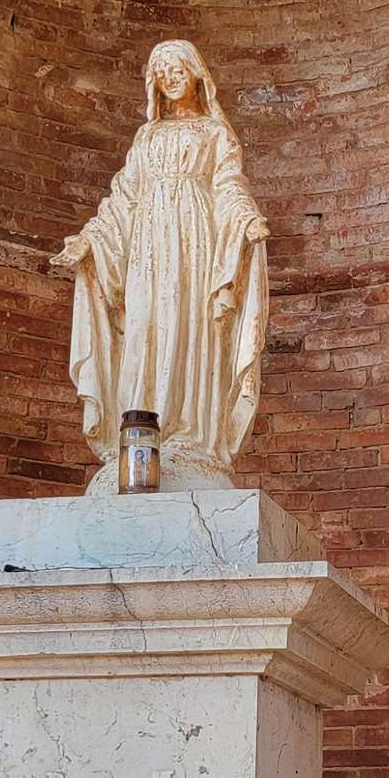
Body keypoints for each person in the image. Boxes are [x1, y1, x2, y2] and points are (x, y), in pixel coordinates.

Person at [51, 39, 269, 489]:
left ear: (196, 75)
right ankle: (140, 434)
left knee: (190, 327)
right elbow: (123, 198)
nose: (169, 78)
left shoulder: (215, 133)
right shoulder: (146, 137)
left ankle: (191, 437)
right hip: (146, 247)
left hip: (195, 242)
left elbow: (229, 185)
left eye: (177, 70)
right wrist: (91, 239)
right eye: (160, 71)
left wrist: (246, 220)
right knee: (144, 329)